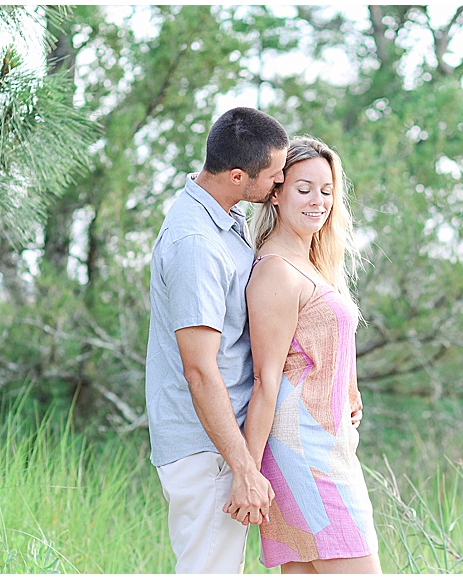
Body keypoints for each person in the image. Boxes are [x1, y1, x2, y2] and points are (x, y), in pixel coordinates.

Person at [145, 107, 288, 573]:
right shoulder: (196, 244)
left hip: (223, 443)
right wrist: (243, 466)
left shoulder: (224, 217)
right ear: (237, 175)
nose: (280, 185)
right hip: (208, 448)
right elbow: (200, 370)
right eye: (275, 176)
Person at [239, 136, 381, 573]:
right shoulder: (277, 271)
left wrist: (349, 390)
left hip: (326, 442)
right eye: (304, 189)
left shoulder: (311, 263)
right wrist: (247, 472)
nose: (318, 201)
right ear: (276, 193)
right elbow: (266, 380)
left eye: (326, 190)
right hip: (304, 454)